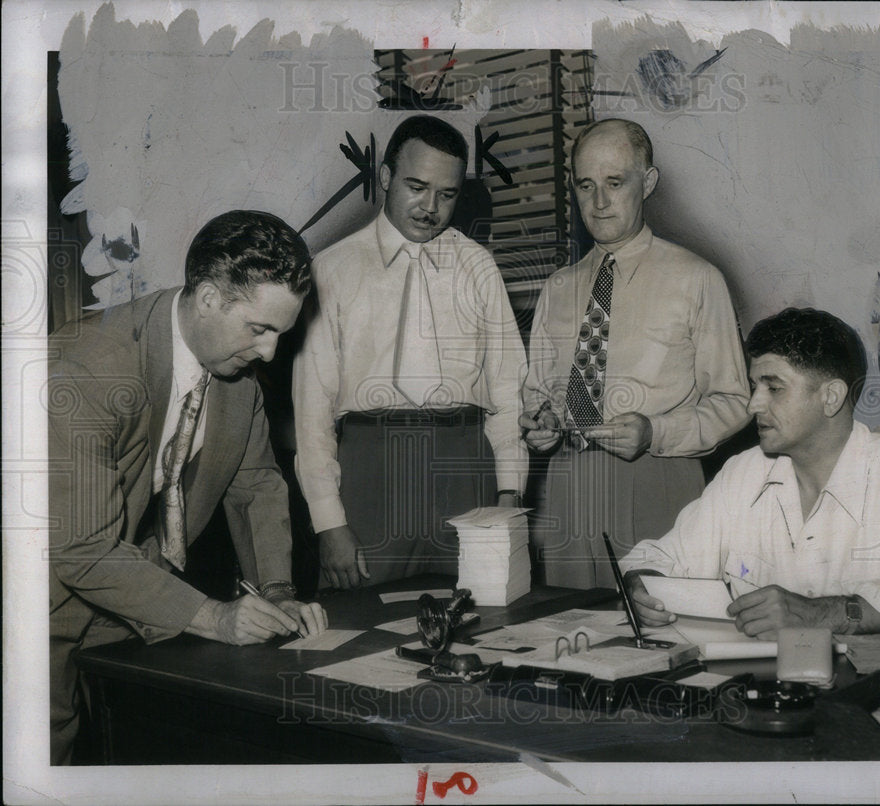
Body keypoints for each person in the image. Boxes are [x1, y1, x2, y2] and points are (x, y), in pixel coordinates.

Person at [48, 210, 328, 764]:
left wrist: (277, 593)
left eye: (282, 333)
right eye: (259, 329)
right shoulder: (84, 369)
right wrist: (217, 617)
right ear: (206, 298)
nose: (270, 353)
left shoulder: (236, 377)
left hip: (126, 607)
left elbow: (256, 488)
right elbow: (80, 548)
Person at [293, 115, 527, 588]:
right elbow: (312, 410)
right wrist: (328, 521)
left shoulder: (478, 266)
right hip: (371, 470)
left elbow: (508, 389)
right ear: (384, 177)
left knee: (482, 623)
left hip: (465, 466)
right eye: (416, 186)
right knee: (357, 637)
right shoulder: (332, 269)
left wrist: (508, 494)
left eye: (447, 194)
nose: (430, 207)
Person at [520, 118, 751, 589]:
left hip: (659, 479)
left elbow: (733, 400)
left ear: (647, 183)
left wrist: (655, 431)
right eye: (585, 185)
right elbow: (537, 393)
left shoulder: (697, 279)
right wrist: (539, 422)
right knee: (563, 633)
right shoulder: (558, 288)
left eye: (614, 183)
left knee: (659, 633)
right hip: (567, 486)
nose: (599, 202)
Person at [622, 307, 880, 637]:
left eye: (774, 388)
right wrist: (642, 584)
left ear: (831, 397)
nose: (753, 405)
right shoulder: (745, 471)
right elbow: (662, 558)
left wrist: (827, 613)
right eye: (754, 387)